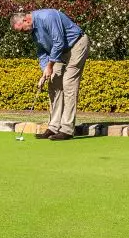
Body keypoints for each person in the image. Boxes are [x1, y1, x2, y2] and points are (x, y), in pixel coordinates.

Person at [10, 9, 90, 141]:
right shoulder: (33, 31)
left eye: (22, 30)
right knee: (53, 84)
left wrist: (50, 66)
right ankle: (53, 127)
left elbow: (58, 42)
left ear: (25, 20)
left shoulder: (48, 17)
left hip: (76, 45)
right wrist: (45, 71)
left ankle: (67, 129)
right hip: (60, 52)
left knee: (68, 84)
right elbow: (42, 52)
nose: (23, 33)